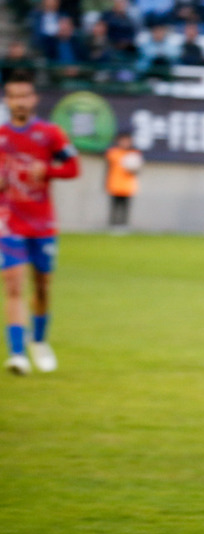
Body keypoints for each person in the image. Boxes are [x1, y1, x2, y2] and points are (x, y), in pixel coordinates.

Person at [0, 71, 81, 375]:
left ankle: (40, 341)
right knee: (14, 285)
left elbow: (73, 167)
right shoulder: (1, 136)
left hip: (43, 223)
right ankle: (17, 354)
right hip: (8, 223)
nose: (19, 101)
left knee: (43, 287)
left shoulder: (50, 134)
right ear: (6, 100)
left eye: (24, 95)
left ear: (34, 98)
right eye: (13, 96)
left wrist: (47, 170)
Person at [104, 132, 141, 230]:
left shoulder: (134, 154)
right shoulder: (113, 153)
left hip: (127, 185)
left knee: (125, 207)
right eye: (123, 141)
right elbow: (108, 169)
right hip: (115, 184)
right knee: (115, 206)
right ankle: (112, 225)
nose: (125, 143)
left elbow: (137, 170)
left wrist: (134, 169)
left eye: (127, 141)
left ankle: (123, 225)